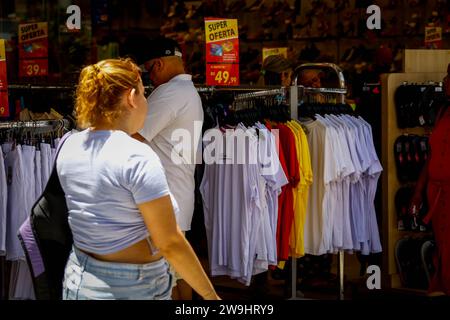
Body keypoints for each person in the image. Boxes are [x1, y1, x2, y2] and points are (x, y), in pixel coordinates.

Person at [58, 58, 219, 300]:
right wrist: (211, 297)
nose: (147, 102)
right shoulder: (136, 155)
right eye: (145, 95)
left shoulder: (69, 144)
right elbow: (170, 243)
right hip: (134, 286)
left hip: (80, 277)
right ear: (132, 98)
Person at [132, 37, 203, 300]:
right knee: (178, 271)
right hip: (176, 197)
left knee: (164, 277)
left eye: (148, 71)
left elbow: (133, 135)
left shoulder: (170, 93)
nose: (149, 79)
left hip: (165, 201)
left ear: (159, 64)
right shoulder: (187, 92)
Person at [409, 64, 450, 296]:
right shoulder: (443, 111)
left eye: (449, 76)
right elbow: (432, 156)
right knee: (442, 248)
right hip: (437, 193)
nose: (444, 80)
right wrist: (418, 192)